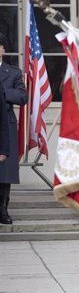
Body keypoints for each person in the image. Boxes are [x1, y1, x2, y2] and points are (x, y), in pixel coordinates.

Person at [0, 32, 27, 225]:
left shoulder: (13, 72)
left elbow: (22, 97)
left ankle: (3, 209)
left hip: (5, 124)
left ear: (2, 49)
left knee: (4, 171)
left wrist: (2, 92)